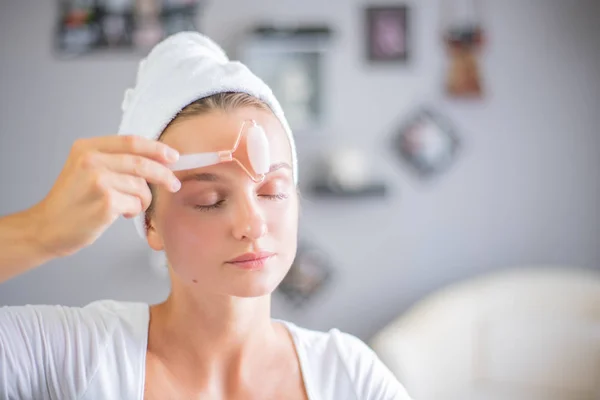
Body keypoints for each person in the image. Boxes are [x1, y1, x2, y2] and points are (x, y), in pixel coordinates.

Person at [0, 32, 412, 400]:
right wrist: (40, 232)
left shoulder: (347, 375)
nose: (253, 225)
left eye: (273, 191)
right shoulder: (70, 358)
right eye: (211, 199)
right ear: (150, 222)